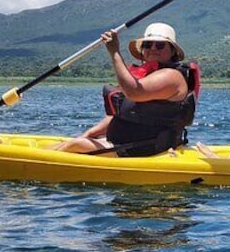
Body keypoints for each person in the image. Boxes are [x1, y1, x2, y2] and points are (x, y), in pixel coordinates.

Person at [51, 22, 200, 157]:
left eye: (160, 45)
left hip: (145, 148)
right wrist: (88, 134)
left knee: (74, 146)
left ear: (172, 51)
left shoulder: (171, 76)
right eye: (148, 44)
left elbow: (134, 93)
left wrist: (114, 52)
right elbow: (122, 114)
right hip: (127, 144)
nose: (153, 48)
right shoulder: (149, 76)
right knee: (73, 142)